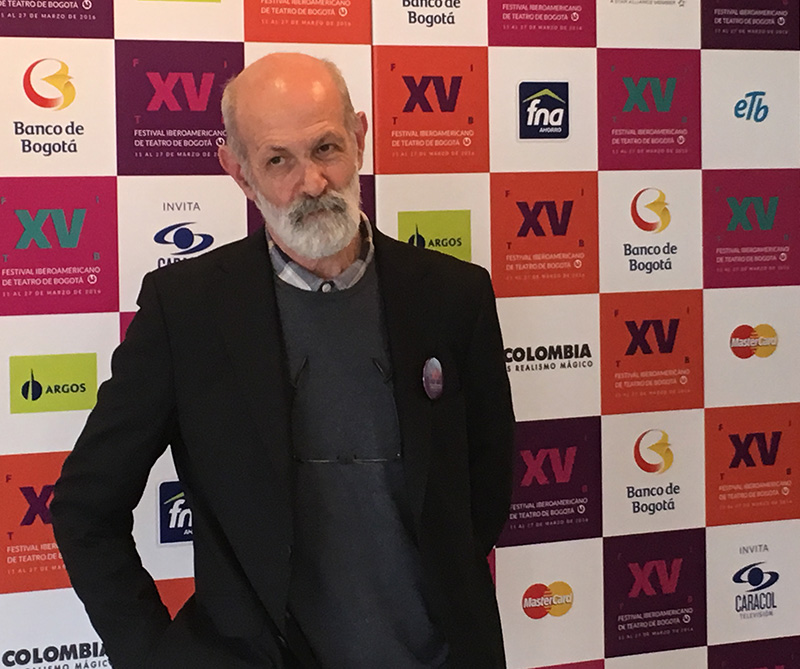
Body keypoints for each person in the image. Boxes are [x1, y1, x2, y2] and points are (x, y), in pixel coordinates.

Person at [51, 52, 514, 669]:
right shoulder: (186, 311)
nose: (312, 183)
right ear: (239, 173)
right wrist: (155, 657)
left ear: (359, 138)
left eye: (326, 148)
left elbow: (485, 487)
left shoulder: (455, 296)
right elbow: (86, 508)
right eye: (278, 161)